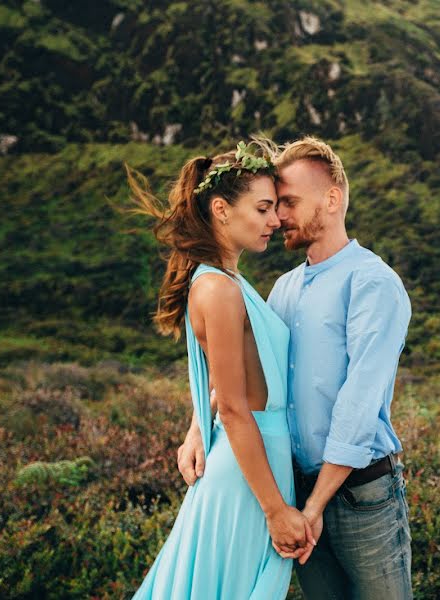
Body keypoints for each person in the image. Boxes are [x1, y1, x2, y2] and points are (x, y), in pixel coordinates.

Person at [178, 137, 413, 599]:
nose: (278, 217)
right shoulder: (283, 288)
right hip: (296, 488)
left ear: (332, 199)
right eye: (273, 204)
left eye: (288, 203)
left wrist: (315, 505)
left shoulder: (373, 282)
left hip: (361, 495)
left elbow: (358, 405)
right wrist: (197, 426)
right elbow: (250, 374)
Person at [128, 137, 314, 599]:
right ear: (222, 210)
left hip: (257, 459)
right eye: (264, 208)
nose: (276, 220)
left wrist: (197, 426)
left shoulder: (228, 282)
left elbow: (225, 383)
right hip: (248, 473)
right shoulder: (219, 289)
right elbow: (233, 409)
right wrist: (274, 510)